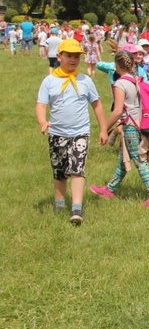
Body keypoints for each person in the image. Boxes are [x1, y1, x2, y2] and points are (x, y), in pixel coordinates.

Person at [35, 39, 108, 224]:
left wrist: (103, 129)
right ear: (59, 57)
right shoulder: (49, 81)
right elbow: (41, 105)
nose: (73, 59)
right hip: (57, 133)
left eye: (76, 56)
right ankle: (59, 203)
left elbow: (97, 105)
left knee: (77, 169)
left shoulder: (85, 81)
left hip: (80, 132)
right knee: (59, 171)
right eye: (69, 56)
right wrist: (43, 121)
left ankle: (77, 209)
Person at [89, 51, 149, 207]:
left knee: (139, 161)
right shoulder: (136, 80)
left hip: (130, 126)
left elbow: (117, 111)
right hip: (140, 124)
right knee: (122, 160)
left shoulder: (120, 84)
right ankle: (109, 189)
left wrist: (104, 129)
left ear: (116, 65)